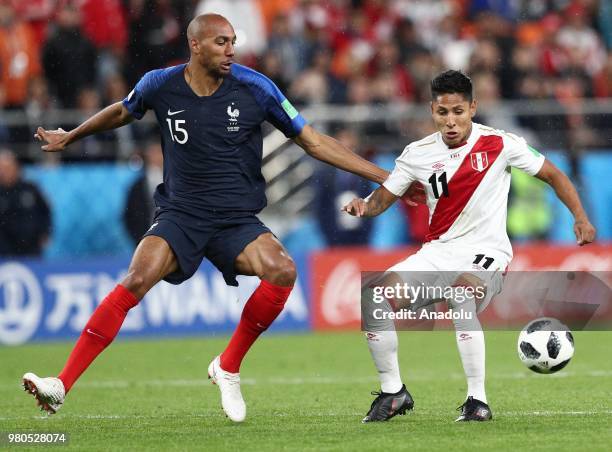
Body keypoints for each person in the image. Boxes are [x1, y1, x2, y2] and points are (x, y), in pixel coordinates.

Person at [22, 13, 419, 422]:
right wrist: (70, 136)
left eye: (233, 41)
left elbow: (313, 142)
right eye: (220, 42)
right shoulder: (160, 84)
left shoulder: (256, 87)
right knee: (136, 279)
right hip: (181, 214)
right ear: (195, 45)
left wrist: (390, 178)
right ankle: (61, 386)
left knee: (282, 270)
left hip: (235, 219)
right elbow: (123, 112)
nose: (231, 50)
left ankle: (228, 366)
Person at [342, 70, 595, 423]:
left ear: (473, 108)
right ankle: (393, 392)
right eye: (442, 112)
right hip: (438, 252)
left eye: (458, 111)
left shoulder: (500, 144)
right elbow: (383, 198)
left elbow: (553, 174)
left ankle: (477, 400)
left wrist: (580, 217)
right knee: (374, 296)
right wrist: (364, 206)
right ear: (432, 110)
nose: (450, 121)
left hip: (487, 252)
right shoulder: (416, 153)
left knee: (462, 293)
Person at [0, 149, 51, 256]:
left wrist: (45, 231)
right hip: (5, 250)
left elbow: (45, 211)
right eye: (2, 169)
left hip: (31, 247)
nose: (5, 172)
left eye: (8, 168)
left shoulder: (30, 189)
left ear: (16, 168)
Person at [123, 141, 164, 246]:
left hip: (170, 240)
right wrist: (139, 238)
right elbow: (129, 215)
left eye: (159, 152)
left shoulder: (176, 182)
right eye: (153, 152)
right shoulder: (137, 186)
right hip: (145, 239)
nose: (156, 156)